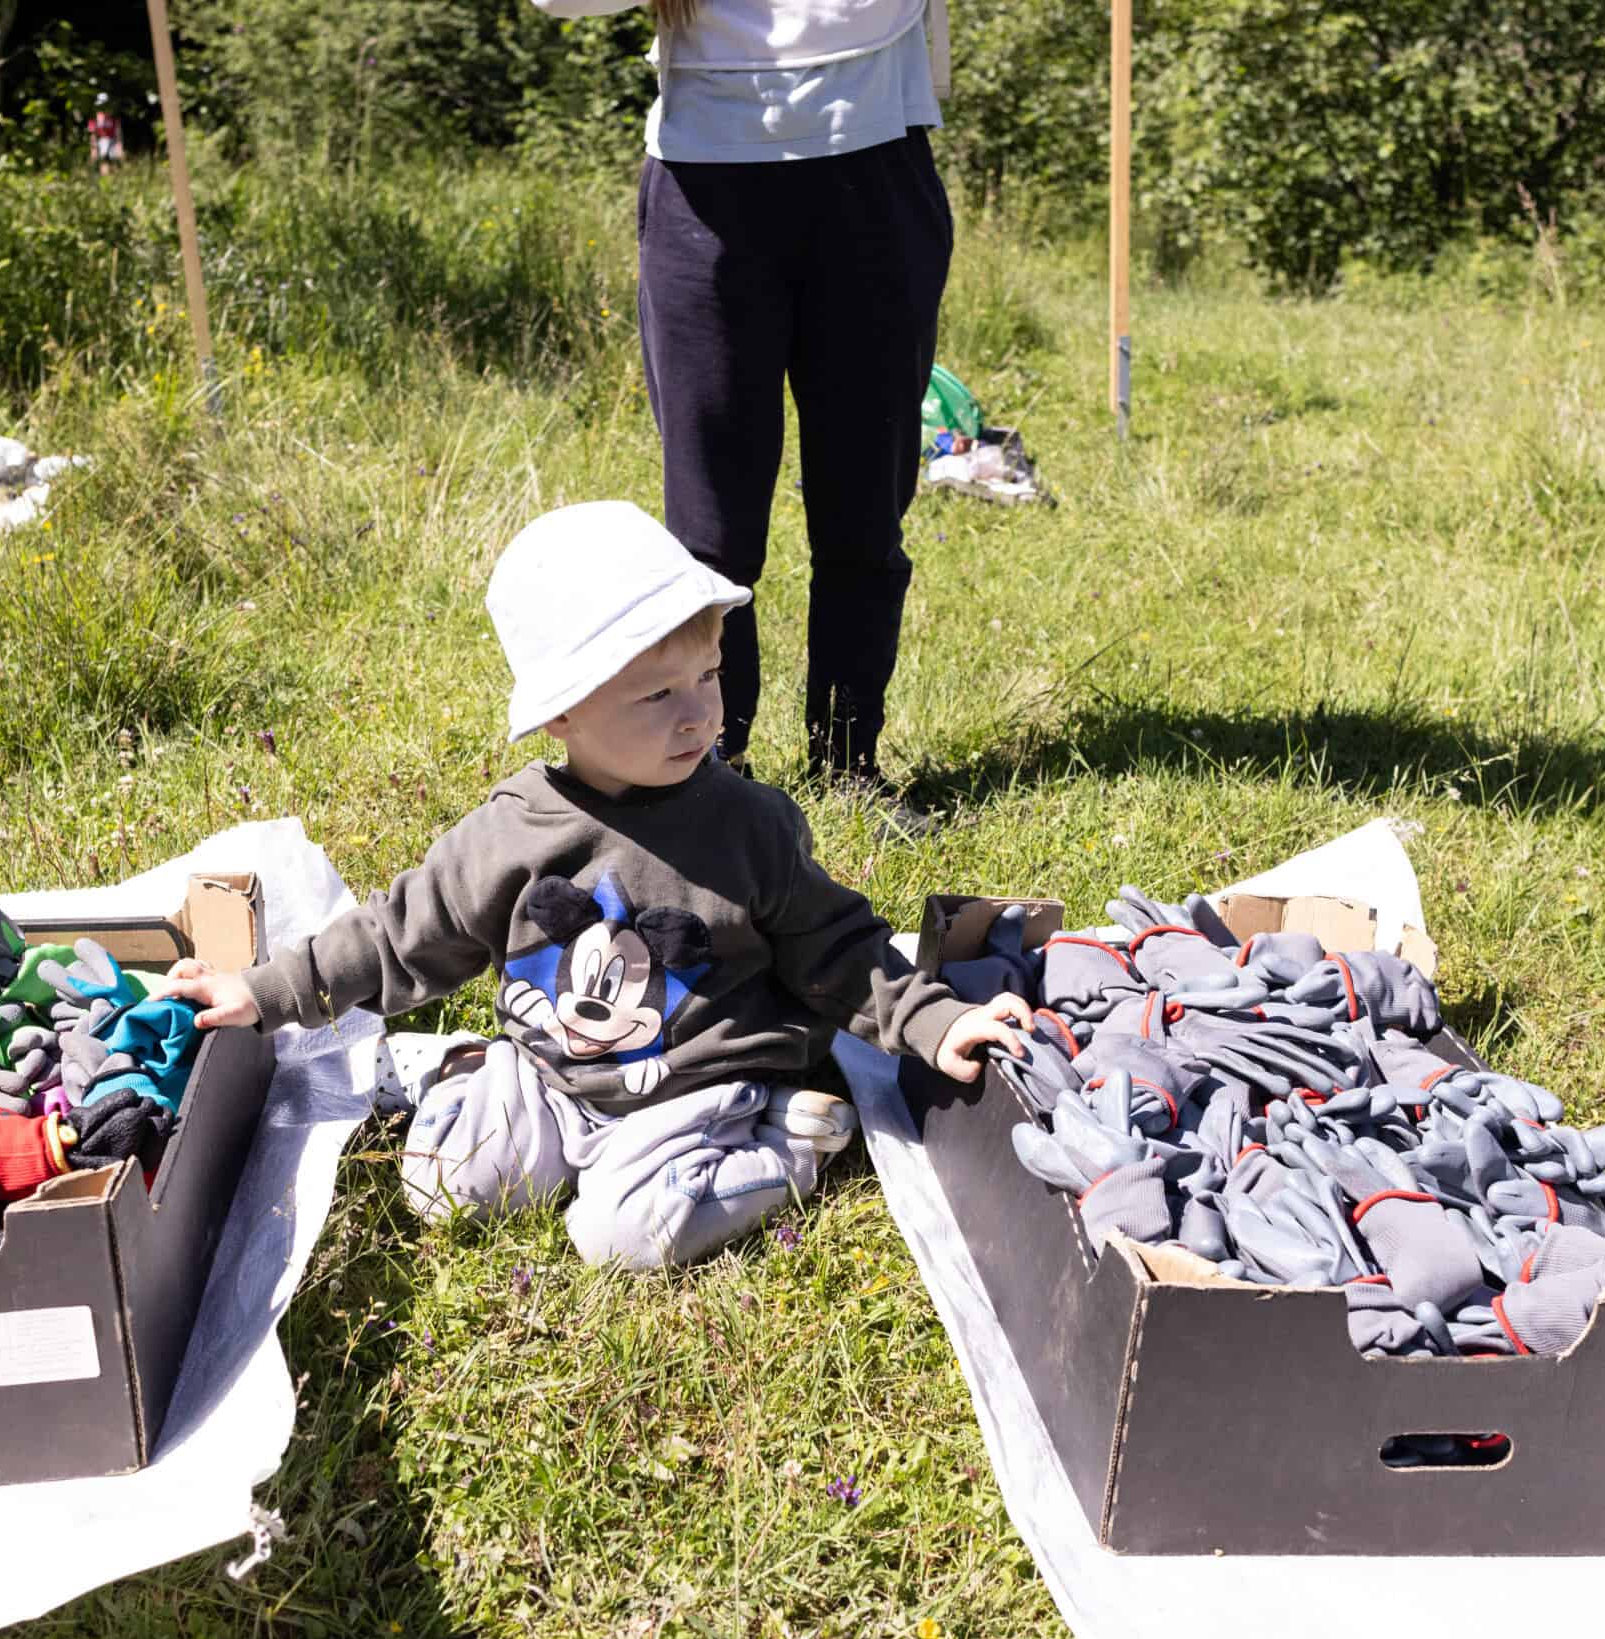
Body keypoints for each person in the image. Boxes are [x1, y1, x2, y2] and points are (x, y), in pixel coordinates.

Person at [166, 501, 1030, 1269]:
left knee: (619, 1237)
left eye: (709, 676)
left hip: (695, 1085)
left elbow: (835, 944)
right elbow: (400, 935)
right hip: (553, 1077)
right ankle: (472, 1073)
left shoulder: (747, 826)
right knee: (440, 1187)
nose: (699, 715)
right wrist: (263, 989)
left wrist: (932, 1018)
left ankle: (783, 1140)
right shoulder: (512, 833)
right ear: (562, 713)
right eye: (656, 694)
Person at [529, 0, 955, 827]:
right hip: (706, 190)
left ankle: (849, 764)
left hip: (874, 176)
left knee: (864, 511)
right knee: (711, 532)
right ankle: (713, 770)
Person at [87, 95, 125, 176]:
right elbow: (93, 135)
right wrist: (93, 149)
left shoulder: (113, 117)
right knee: (104, 160)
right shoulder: (94, 117)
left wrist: (119, 146)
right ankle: (105, 179)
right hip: (101, 143)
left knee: (115, 162)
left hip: (113, 142)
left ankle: (115, 179)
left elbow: (118, 132)